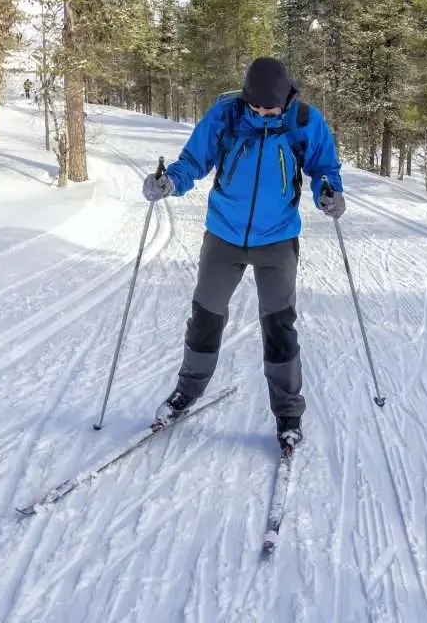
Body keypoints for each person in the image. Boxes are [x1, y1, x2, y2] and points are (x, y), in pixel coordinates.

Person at [141, 56, 345, 454]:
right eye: (257, 107)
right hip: (224, 235)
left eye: (270, 108)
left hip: (277, 239)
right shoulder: (226, 115)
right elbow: (193, 162)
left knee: (279, 326)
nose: (263, 113)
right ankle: (185, 393)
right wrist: (169, 184)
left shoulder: (304, 120)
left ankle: (288, 416)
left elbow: (325, 167)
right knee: (206, 315)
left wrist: (329, 192)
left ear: (286, 97)